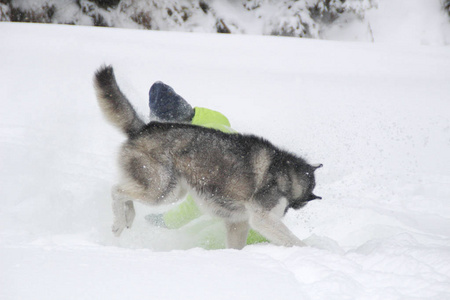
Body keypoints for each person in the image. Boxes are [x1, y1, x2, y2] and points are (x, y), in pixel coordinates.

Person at [145, 81, 267, 246]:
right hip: (257, 212)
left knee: (195, 245)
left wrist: (166, 221)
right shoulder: (214, 127)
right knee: (194, 233)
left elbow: (199, 200)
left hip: (250, 229)